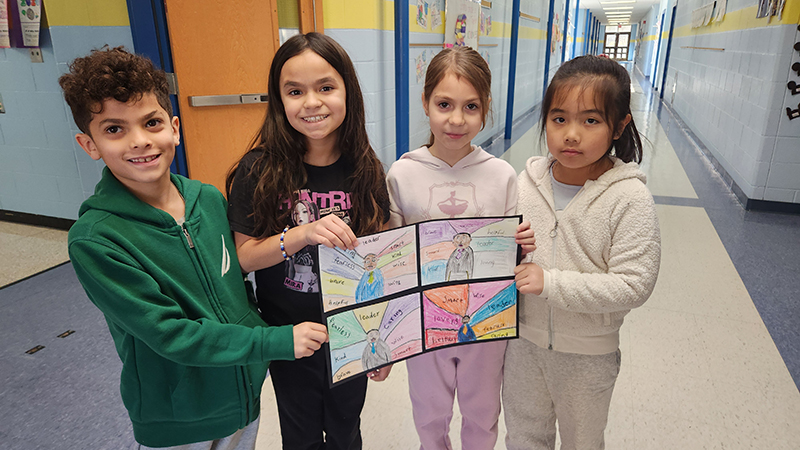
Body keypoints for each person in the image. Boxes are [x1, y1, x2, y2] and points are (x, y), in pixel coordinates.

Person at [60, 47, 328, 450]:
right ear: (89, 144)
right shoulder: (96, 239)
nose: (140, 141)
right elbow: (169, 334)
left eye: (151, 122)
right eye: (114, 129)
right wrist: (273, 342)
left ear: (174, 128)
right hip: (179, 418)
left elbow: (237, 286)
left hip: (242, 394)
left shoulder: (208, 199)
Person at [226, 32, 391, 450]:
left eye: (326, 87)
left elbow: (382, 260)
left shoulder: (366, 168)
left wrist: (384, 339)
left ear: (348, 93)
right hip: (289, 335)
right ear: (279, 100)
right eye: (295, 91)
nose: (311, 102)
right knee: (299, 436)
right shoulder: (257, 170)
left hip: (351, 332)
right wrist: (301, 234)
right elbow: (244, 258)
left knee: (346, 430)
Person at [504, 55, 661, 450]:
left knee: (582, 442)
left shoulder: (629, 198)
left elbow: (634, 284)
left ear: (619, 125)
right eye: (559, 119)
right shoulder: (523, 184)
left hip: (588, 356)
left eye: (590, 120)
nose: (571, 135)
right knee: (523, 438)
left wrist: (550, 284)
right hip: (522, 346)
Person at [385, 46, 535, 450]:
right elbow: (393, 255)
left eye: (471, 107)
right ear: (425, 103)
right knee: (428, 412)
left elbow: (509, 254)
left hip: (485, 323)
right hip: (425, 318)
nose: (456, 119)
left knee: (482, 412)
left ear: (485, 107)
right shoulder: (402, 173)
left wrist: (521, 247)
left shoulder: (502, 175)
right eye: (444, 104)